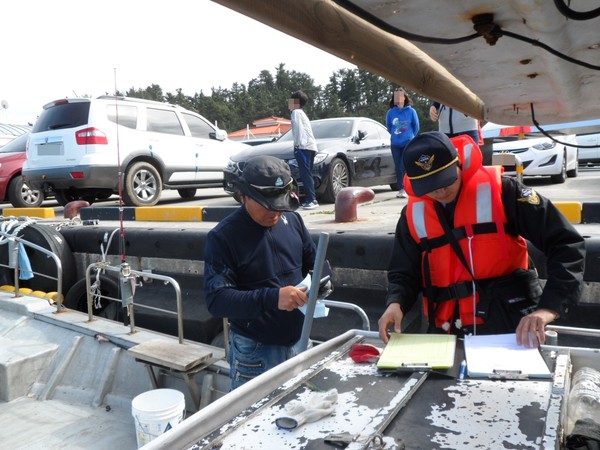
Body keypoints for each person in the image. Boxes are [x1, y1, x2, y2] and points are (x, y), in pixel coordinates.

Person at [378, 131, 585, 348]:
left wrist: (548, 308)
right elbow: (403, 271)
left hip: (510, 325)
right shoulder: (412, 214)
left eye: (445, 179)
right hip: (446, 330)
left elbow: (566, 243)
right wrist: (396, 303)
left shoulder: (504, 191)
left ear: (458, 163)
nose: (440, 190)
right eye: (429, 185)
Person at [204, 155, 318, 389]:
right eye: (267, 204)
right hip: (256, 351)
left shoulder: (293, 220)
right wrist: (274, 298)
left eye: (281, 204)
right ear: (243, 196)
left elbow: (314, 264)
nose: (275, 212)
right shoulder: (223, 237)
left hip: (300, 341)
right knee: (254, 420)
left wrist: (322, 284)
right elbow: (217, 300)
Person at [386, 88, 420, 198]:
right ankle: (401, 189)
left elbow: (416, 127)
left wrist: (410, 137)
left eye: (400, 96)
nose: (398, 98)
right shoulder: (391, 113)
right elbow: (389, 127)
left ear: (405, 97)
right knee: (398, 167)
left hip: (407, 142)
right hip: (395, 144)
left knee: (404, 165)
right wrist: (396, 135)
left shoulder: (411, 111)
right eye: (396, 96)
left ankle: (408, 187)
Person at [289, 90, 319, 209]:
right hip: (310, 146)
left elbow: (298, 129)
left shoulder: (296, 112)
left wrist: (296, 145)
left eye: (291, 101)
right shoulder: (301, 112)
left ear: (296, 102)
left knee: (305, 174)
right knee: (308, 174)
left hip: (303, 147)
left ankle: (311, 200)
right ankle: (311, 199)